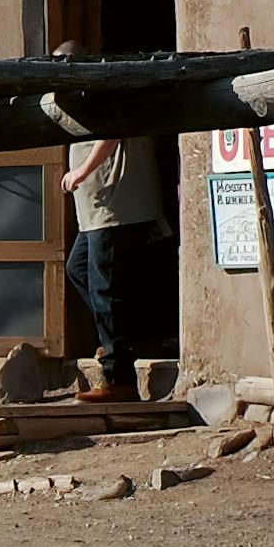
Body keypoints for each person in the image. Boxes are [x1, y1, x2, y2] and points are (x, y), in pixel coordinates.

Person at [60, 95, 176, 398]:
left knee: (105, 289)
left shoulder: (103, 97)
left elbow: (112, 132)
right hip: (97, 213)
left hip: (116, 208)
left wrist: (82, 171)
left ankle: (118, 377)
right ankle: (121, 342)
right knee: (79, 269)